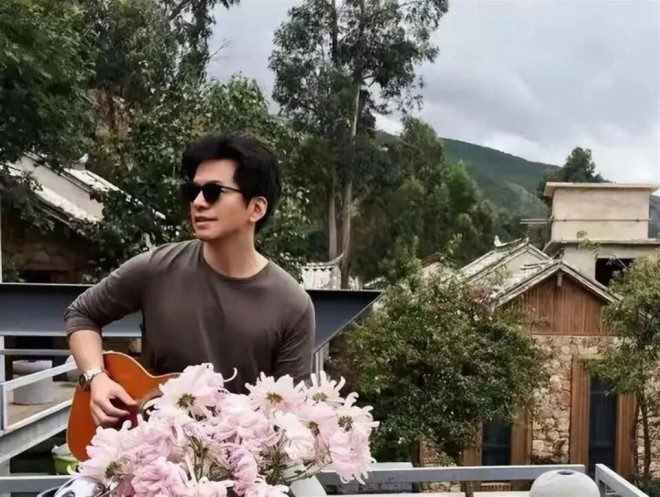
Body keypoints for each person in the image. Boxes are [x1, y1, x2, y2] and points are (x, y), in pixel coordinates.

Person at [64, 133, 316, 427]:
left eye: (213, 192)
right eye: (192, 191)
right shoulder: (156, 268)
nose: (197, 203)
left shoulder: (292, 305)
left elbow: (288, 417)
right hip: (147, 444)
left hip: (236, 453)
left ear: (256, 208)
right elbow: (81, 313)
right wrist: (96, 377)